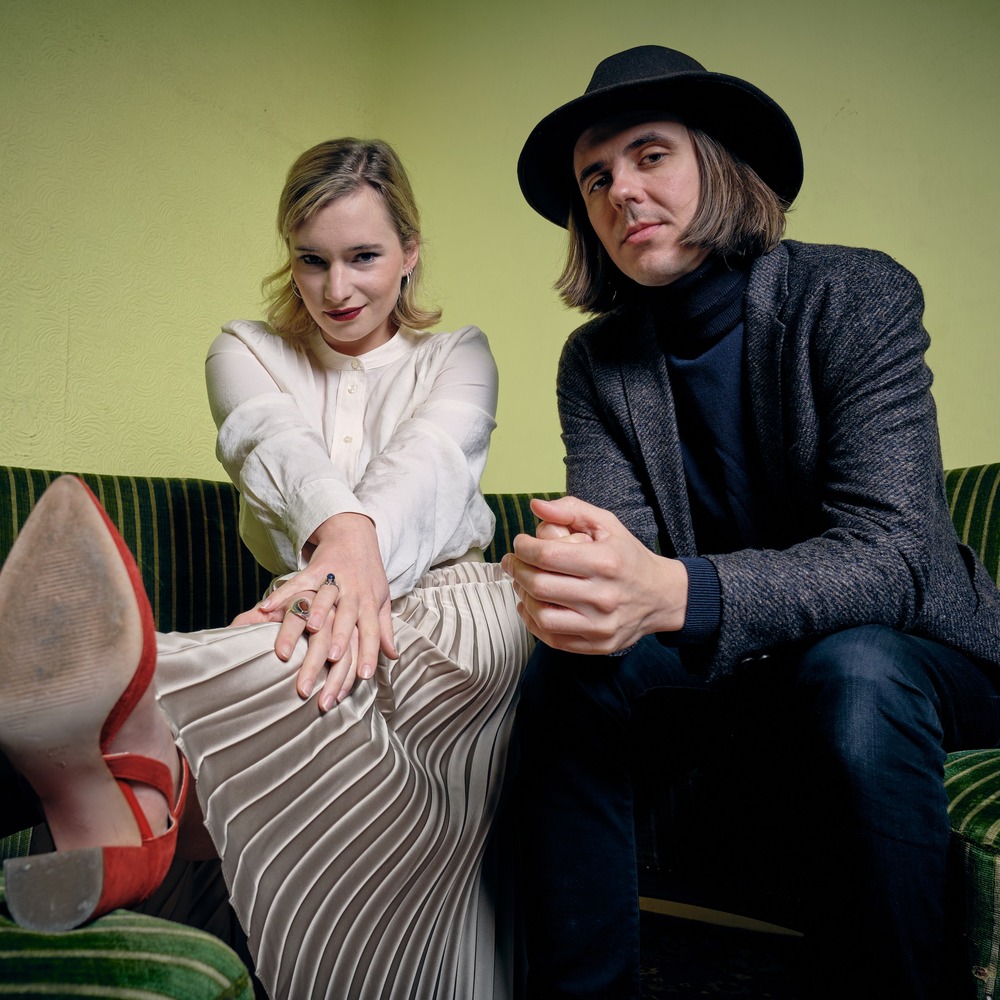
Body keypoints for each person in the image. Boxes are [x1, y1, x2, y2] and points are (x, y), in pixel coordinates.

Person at [504, 44, 1000, 1000]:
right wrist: (579, 585)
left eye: (651, 155)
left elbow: (898, 553)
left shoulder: (856, 294)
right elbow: (627, 561)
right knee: (575, 670)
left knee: (855, 667)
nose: (620, 191)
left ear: (720, 163)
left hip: (923, 658)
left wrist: (671, 590)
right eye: (595, 179)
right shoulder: (596, 362)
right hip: (745, 667)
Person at [0, 137, 532, 1000]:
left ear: (410, 253)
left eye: (364, 257)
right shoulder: (244, 350)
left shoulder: (458, 355)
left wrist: (350, 555)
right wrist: (334, 551)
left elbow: (432, 461)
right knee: (313, 673)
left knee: (340, 665)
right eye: (312, 260)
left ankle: (147, 779)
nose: (337, 288)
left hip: (454, 609)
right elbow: (271, 443)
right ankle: (134, 772)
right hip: (303, 614)